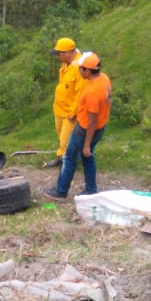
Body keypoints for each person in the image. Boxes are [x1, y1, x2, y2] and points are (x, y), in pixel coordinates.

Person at [45, 52, 111, 199]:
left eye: (80, 68)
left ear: (87, 71)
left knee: (69, 157)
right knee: (87, 157)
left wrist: (86, 144)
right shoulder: (104, 79)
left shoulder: (92, 92)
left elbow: (91, 121)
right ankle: (91, 189)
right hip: (101, 126)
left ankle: (61, 191)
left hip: (86, 128)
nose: (78, 70)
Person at [45, 36, 82, 168]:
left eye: (59, 54)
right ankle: (61, 158)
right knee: (61, 136)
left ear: (68, 53)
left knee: (66, 140)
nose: (58, 57)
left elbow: (80, 93)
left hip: (70, 112)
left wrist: (73, 112)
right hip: (59, 108)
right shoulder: (66, 63)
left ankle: (68, 164)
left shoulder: (79, 68)